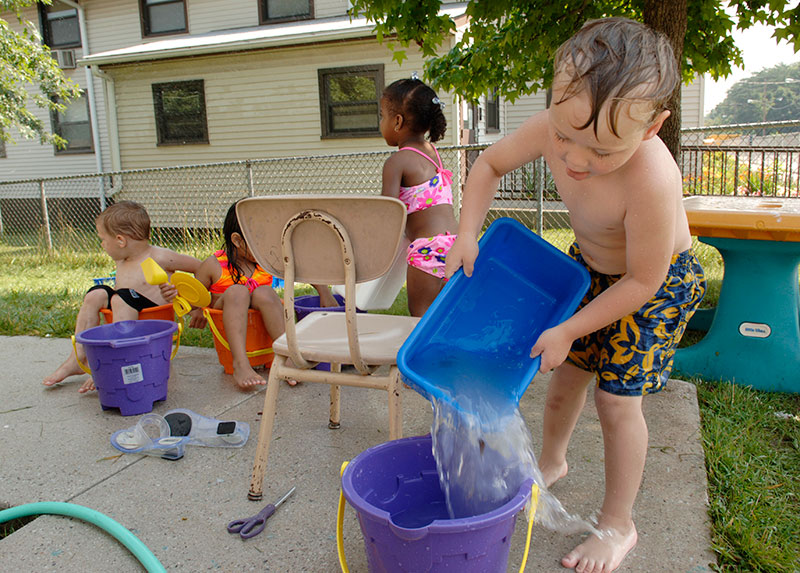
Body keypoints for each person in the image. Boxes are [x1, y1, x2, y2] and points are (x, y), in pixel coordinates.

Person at [445, 18, 706, 573]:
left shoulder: (652, 179)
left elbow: (642, 282)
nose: (576, 161)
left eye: (604, 151)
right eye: (564, 138)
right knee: (563, 380)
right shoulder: (551, 128)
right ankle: (552, 460)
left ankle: (619, 525)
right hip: (590, 271)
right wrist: (466, 233)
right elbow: (488, 164)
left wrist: (570, 327)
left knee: (615, 400)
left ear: (654, 126)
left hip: (655, 283)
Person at [43, 201, 202, 393]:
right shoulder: (122, 259)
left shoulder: (160, 256)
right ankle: (77, 358)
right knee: (96, 294)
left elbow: (202, 268)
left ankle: (115, 362)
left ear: (120, 240)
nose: (102, 244)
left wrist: (194, 303)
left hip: (151, 319)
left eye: (103, 239)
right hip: (123, 309)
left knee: (121, 297)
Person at [193, 201, 338, 389]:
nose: (267, 248)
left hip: (260, 329)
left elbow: (298, 266)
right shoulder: (213, 265)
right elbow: (194, 292)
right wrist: (196, 310)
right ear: (237, 241)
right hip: (229, 323)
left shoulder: (266, 261)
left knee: (264, 292)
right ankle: (240, 364)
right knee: (238, 291)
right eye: (259, 242)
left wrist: (324, 292)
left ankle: (287, 354)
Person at [380, 77, 459, 317]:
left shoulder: (397, 162)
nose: (380, 122)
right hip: (454, 243)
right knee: (447, 316)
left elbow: (387, 214)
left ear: (398, 121)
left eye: (382, 115)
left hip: (427, 248)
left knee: (420, 318)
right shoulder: (432, 153)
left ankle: (421, 357)